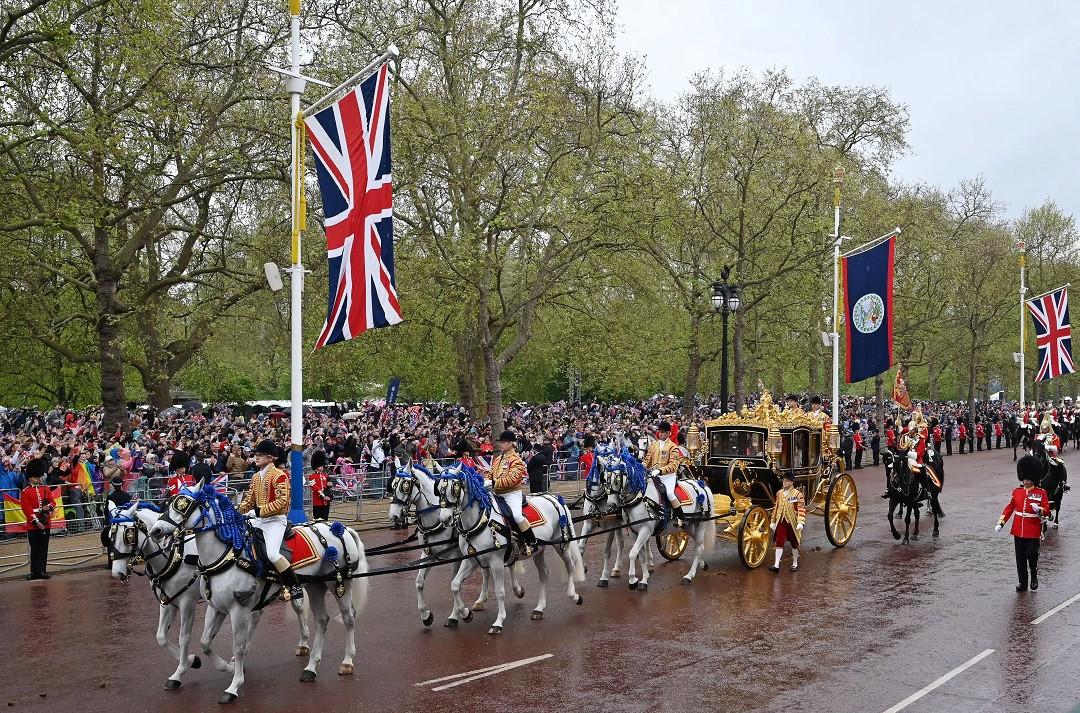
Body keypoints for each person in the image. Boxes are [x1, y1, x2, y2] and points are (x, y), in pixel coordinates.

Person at [237, 439, 303, 601]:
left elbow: (282, 502)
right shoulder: (255, 477)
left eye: (260, 455)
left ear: (270, 458)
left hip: (275, 521)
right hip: (259, 519)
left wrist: (259, 511)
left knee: (272, 553)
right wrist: (238, 510)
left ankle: (295, 585)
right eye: (256, 455)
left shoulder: (279, 476)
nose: (256, 458)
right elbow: (249, 500)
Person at [997, 455, 1050, 592]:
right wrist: (1001, 523)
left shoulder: (1041, 492)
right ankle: (1023, 582)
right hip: (1018, 529)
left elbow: (1047, 511)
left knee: (1032, 554)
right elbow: (1009, 508)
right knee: (1020, 558)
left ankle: (1034, 576)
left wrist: (1040, 510)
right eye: (1024, 479)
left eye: (1028, 479)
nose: (1026, 481)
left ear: (1034, 478)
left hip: (1033, 529)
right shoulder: (1017, 492)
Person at [489, 429, 535, 555]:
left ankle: (530, 541)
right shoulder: (498, 459)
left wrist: (494, 483)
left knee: (516, 515)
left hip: (511, 494)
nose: (501, 444)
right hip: (497, 494)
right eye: (501, 442)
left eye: (503, 442)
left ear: (510, 443)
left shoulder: (516, 460)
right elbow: (491, 473)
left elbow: (512, 479)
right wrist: (484, 480)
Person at [643, 421, 685, 525]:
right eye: (659, 432)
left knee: (670, 494)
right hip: (654, 475)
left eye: (662, 432)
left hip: (668, 476)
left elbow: (673, 465)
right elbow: (647, 461)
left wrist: (660, 470)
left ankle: (681, 517)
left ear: (668, 433)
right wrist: (640, 466)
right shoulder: (653, 445)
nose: (660, 434)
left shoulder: (673, 447)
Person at [20, 458, 54, 580]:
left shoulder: (45, 489)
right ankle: (34, 572)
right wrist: (36, 522)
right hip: (33, 524)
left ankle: (42, 571)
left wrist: (48, 507)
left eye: (39, 477)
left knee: (43, 549)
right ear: (30, 478)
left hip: (46, 522)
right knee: (34, 548)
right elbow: (27, 509)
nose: (38, 479)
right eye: (36, 477)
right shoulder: (25, 492)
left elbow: (53, 502)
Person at [769, 472, 805, 572]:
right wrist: (773, 520)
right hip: (781, 520)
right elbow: (776, 508)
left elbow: (801, 508)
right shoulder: (779, 493)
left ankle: (795, 563)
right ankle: (776, 565)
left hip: (793, 522)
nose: (784, 483)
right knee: (779, 541)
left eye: (787, 481)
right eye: (784, 481)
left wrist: (800, 522)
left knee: (794, 542)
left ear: (791, 482)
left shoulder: (798, 494)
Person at [308, 450, 332, 521]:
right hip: (318, 502)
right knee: (318, 521)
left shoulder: (326, 475)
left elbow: (328, 487)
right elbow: (315, 488)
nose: (322, 467)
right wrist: (323, 496)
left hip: (326, 502)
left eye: (322, 465)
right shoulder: (312, 477)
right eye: (320, 465)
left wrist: (329, 485)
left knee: (325, 520)